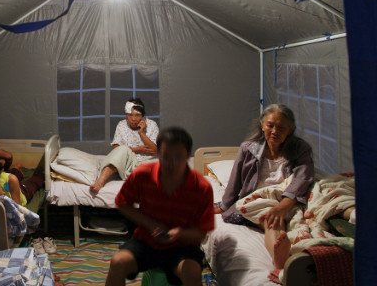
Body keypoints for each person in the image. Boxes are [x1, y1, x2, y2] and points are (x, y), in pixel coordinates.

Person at [106, 127, 214, 286]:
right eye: (166, 157)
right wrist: (149, 224)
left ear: (188, 155)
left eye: (178, 158)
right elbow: (122, 203)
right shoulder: (142, 174)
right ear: (158, 155)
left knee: (192, 272)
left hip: (182, 247)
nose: (171, 164)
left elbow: (203, 230)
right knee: (117, 262)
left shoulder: (201, 186)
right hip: (147, 242)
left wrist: (180, 233)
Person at [215, 103, 314, 269]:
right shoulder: (248, 148)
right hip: (258, 199)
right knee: (271, 219)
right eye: (270, 125)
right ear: (262, 126)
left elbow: (303, 177)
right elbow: (235, 182)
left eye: (281, 127)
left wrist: (283, 205)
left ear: (290, 130)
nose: (275, 131)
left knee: (324, 190)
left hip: (288, 199)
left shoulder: (300, 149)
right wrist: (224, 205)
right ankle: (281, 263)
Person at [89, 98, 159, 193]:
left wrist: (142, 133)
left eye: (137, 115)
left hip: (145, 166)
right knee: (122, 149)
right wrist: (136, 149)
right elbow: (115, 149)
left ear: (142, 116)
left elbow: (154, 150)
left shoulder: (152, 125)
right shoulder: (121, 125)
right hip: (127, 165)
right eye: (130, 115)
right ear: (126, 115)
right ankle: (100, 182)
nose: (133, 119)